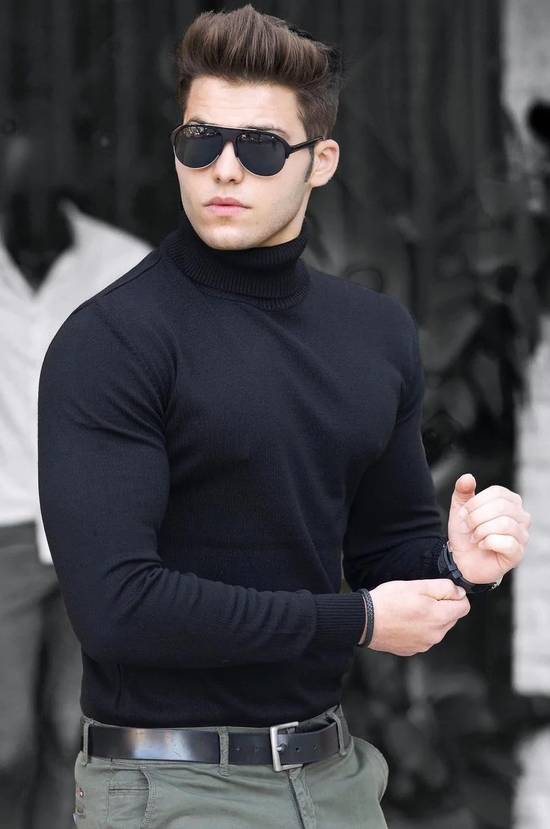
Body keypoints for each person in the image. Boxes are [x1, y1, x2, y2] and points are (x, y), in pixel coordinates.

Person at [36, 6, 531, 828]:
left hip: (335, 780)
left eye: (260, 147)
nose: (225, 169)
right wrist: (358, 621)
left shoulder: (373, 333)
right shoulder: (112, 341)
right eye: (201, 141)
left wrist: (458, 563)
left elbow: (388, 552)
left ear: (319, 161)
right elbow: (118, 607)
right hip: (170, 785)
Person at [0, 132, 151, 829]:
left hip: (100, 533)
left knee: (79, 735)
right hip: (4, 530)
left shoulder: (125, 267)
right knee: (5, 745)